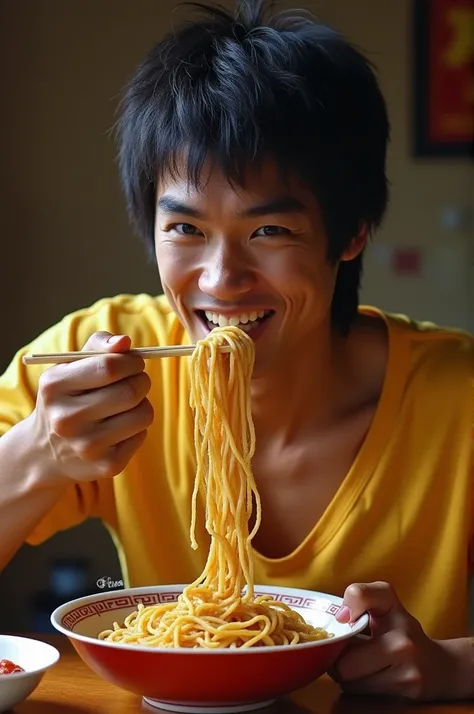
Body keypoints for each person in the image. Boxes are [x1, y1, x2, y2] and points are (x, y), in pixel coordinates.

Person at [0, 0, 472, 701]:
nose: (221, 280)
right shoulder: (87, 357)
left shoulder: (458, 399)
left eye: (269, 232)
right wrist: (40, 452)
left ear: (353, 232)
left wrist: (455, 665)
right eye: (186, 228)